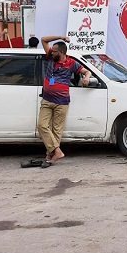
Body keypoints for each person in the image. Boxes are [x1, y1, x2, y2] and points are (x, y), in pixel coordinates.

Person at [38, 36, 92, 166]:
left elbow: (87, 71)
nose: (52, 51)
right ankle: (57, 151)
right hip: (47, 99)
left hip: (62, 102)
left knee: (57, 130)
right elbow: (43, 39)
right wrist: (61, 37)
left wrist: (87, 77)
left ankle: (50, 155)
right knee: (42, 125)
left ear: (62, 52)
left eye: (55, 50)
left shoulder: (71, 63)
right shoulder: (51, 57)